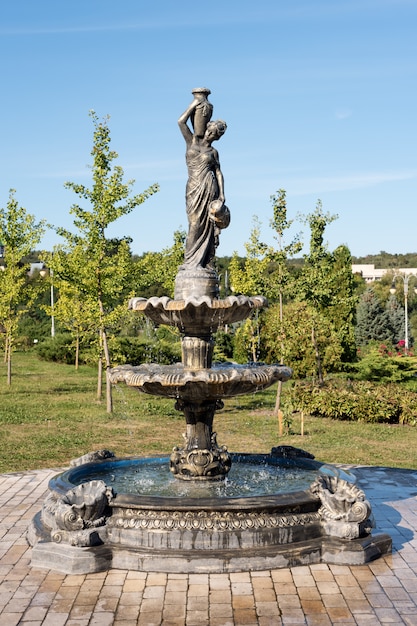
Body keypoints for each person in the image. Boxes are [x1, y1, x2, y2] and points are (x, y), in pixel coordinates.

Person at [178, 98, 229, 270]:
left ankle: (205, 262)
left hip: (210, 189)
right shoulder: (191, 142)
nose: (210, 135)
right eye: (210, 131)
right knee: (194, 224)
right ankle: (190, 263)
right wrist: (195, 103)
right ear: (206, 128)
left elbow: (218, 173)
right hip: (194, 188)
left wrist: (222, 194)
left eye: (214, 134)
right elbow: (181, 121)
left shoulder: (213, 152)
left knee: (208, 225)